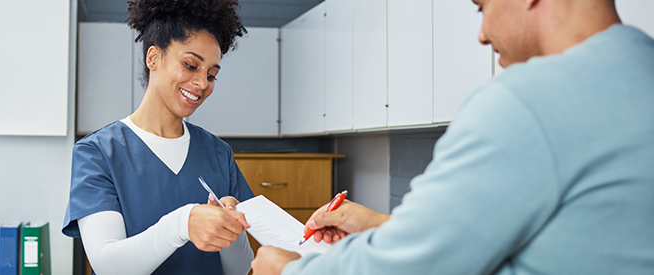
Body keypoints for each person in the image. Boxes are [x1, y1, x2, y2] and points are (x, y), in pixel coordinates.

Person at [252, 0, 654, 274]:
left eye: (483, 7)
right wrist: (384, 226)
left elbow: (408, 268)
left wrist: (288, 268)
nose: (482, 34)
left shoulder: (529, 99)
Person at [61, 0, 255, 274]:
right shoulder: (98, 153)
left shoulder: (218, 153)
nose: (202, 84)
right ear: (153, 57)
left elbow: (240, 268)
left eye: (212, 74)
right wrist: (181, 224)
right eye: (190, 65)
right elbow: (107, 264)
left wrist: (228, 231)